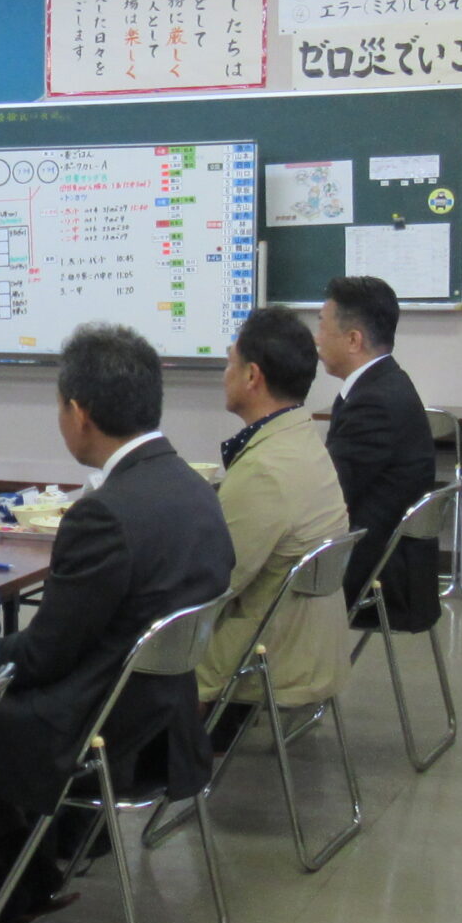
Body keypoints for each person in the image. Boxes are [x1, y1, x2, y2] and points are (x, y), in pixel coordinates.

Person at [0, 322, 232, 923]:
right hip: (163, 712)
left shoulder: (104, 513)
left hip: (99, 724)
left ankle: (3, 903)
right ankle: (40, 867)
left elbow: (44, 655)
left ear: (79, 412)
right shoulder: (195, 488)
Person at [198, 307, 350, 734]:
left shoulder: (265, 469)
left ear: (252, 376)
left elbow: (213, 580)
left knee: (124, 638)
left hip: (269, 651)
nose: (224, 375)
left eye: (230, 363)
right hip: (306, 640)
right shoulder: (303, 441)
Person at [317, 274, 439, 630]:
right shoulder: (385, 383)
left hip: (377, 573)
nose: (316, 338)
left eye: (322, 326)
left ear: (353, 339)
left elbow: (331, 495)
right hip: (384, 556)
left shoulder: (374, 402)